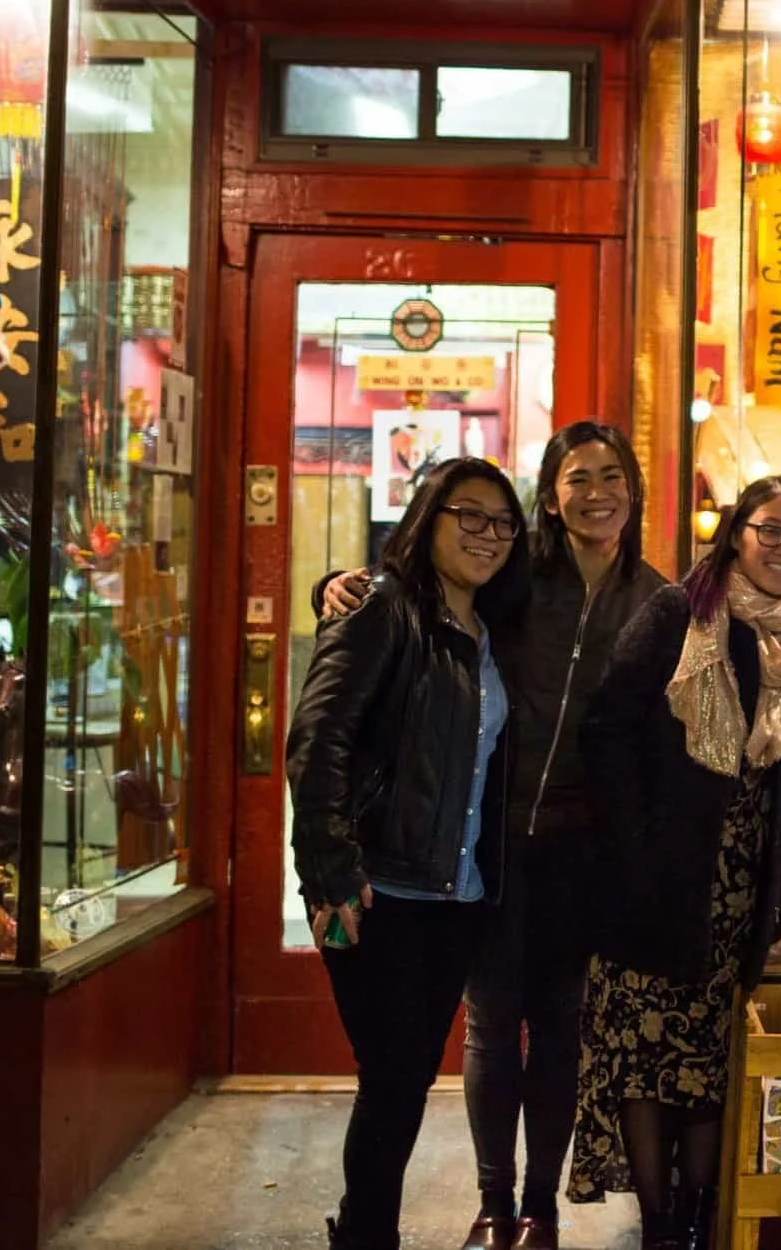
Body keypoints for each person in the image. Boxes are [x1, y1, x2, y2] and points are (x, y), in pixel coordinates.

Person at [325, 423, 669, 1250]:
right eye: (576, 476)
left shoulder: (658, 599)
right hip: (491, 841)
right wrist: (337, 587)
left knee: (560, 1026)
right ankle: (492, 1197)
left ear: (634, 488)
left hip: (581, 847)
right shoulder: (519, 577)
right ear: (550, 493)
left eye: (611, 474)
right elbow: (420, 597)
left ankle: (539, 1207)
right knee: (489, 1022)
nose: (596, 490)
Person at [566, 475, 781, 1250]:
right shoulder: (678, 614)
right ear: (736, 533)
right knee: (646, 1058)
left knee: (709, 1062)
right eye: (772, 530)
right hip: (656, 879)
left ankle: (696, 1219)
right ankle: (658, 1225)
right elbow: (607, 731)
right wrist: (635, 842)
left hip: (743, 890)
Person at [287, 457, 531, 1250]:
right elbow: (317, 739)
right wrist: (327, 866)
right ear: (428, 516)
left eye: (502, 522)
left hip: (454, 900)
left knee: (404, 1083)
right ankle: (366, 1236)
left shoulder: (489, 634)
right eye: (470, 515)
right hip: (375, 890)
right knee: (393, 1082)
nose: (486, 535)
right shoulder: (383, 608)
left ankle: (363, 1230)